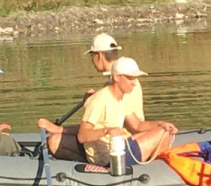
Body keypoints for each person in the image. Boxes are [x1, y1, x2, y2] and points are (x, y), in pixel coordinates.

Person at [37, 33, 145, 161]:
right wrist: (90, 103)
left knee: (54, 141)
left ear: (98, 56)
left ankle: (88, 169)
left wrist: (59, 129)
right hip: (123, 137)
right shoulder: (129, 80)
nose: (92, 61)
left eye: (92, 56)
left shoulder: (116, 85)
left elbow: (97, 129)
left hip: (116, 143)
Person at [78, 57, 177, 168]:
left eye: (135, 78)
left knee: (164, 130)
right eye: (130, 78)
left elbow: (137, 125)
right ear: (116, 77)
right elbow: (82, 135)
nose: (134, 83)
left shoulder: (123, 97)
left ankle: (153, 168)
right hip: (107, 157)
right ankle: (157, 170)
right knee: (163, 134)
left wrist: (161, 124)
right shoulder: (99, 101)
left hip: (120, 146)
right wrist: (107, 130)